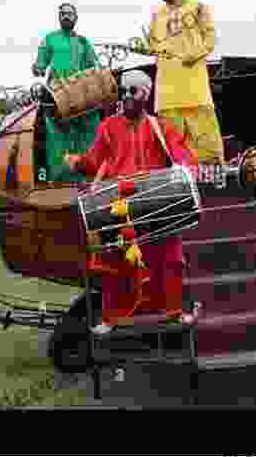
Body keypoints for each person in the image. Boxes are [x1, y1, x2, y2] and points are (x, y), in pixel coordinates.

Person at [64, 70, 197, 334]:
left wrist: (185, 168)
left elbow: (182, 155)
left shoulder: (161, 126)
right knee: (115, 263)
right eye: (123, 91)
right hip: (120, 204)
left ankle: (173, 312)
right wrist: (77, 162)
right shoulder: (108, 127)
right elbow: (94, 160)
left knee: (169, 258)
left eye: (133, 91)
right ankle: (111, 319)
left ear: (146, 95)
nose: (126, 96)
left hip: (155, 202)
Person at [148, 0, 225, 164]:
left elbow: (210, 39)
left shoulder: (198, 7)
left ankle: (212, 184)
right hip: (167, 92)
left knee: (206, 142)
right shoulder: (157, 13)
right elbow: (154, 45)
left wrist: (195, 54)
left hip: (194, 89)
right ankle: (174, 185)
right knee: (170, 145)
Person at [32, 3, 103, 182]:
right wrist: (38, 68)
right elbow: (40, 64)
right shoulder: (50, 39)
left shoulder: (83, 42)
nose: (66, 16)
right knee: (58, 137)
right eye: (63, 14)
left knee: (88, 133)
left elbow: (95, 67)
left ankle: (88, 177)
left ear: (76, 18)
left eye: (70, 14)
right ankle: (60, 179)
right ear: (58, 17)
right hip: (58, 97)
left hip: (81, 96)